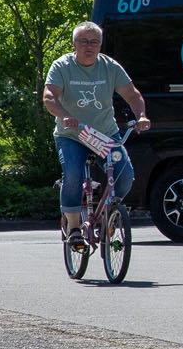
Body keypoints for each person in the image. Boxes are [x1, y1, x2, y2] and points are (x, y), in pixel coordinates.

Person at [43, 21, 150, 249]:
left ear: (100, 45)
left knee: (125, 175)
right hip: (72, 135)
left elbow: (132, 94)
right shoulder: (62, 66)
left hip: (104, 135)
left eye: (94, 42)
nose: (88, 46)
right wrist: (64, 115)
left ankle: (107, 215)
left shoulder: (109, 67)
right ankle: (73, 229)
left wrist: (141, 116)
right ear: (74, 44)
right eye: (83, 41)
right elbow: (49, 96)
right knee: (73, 174)